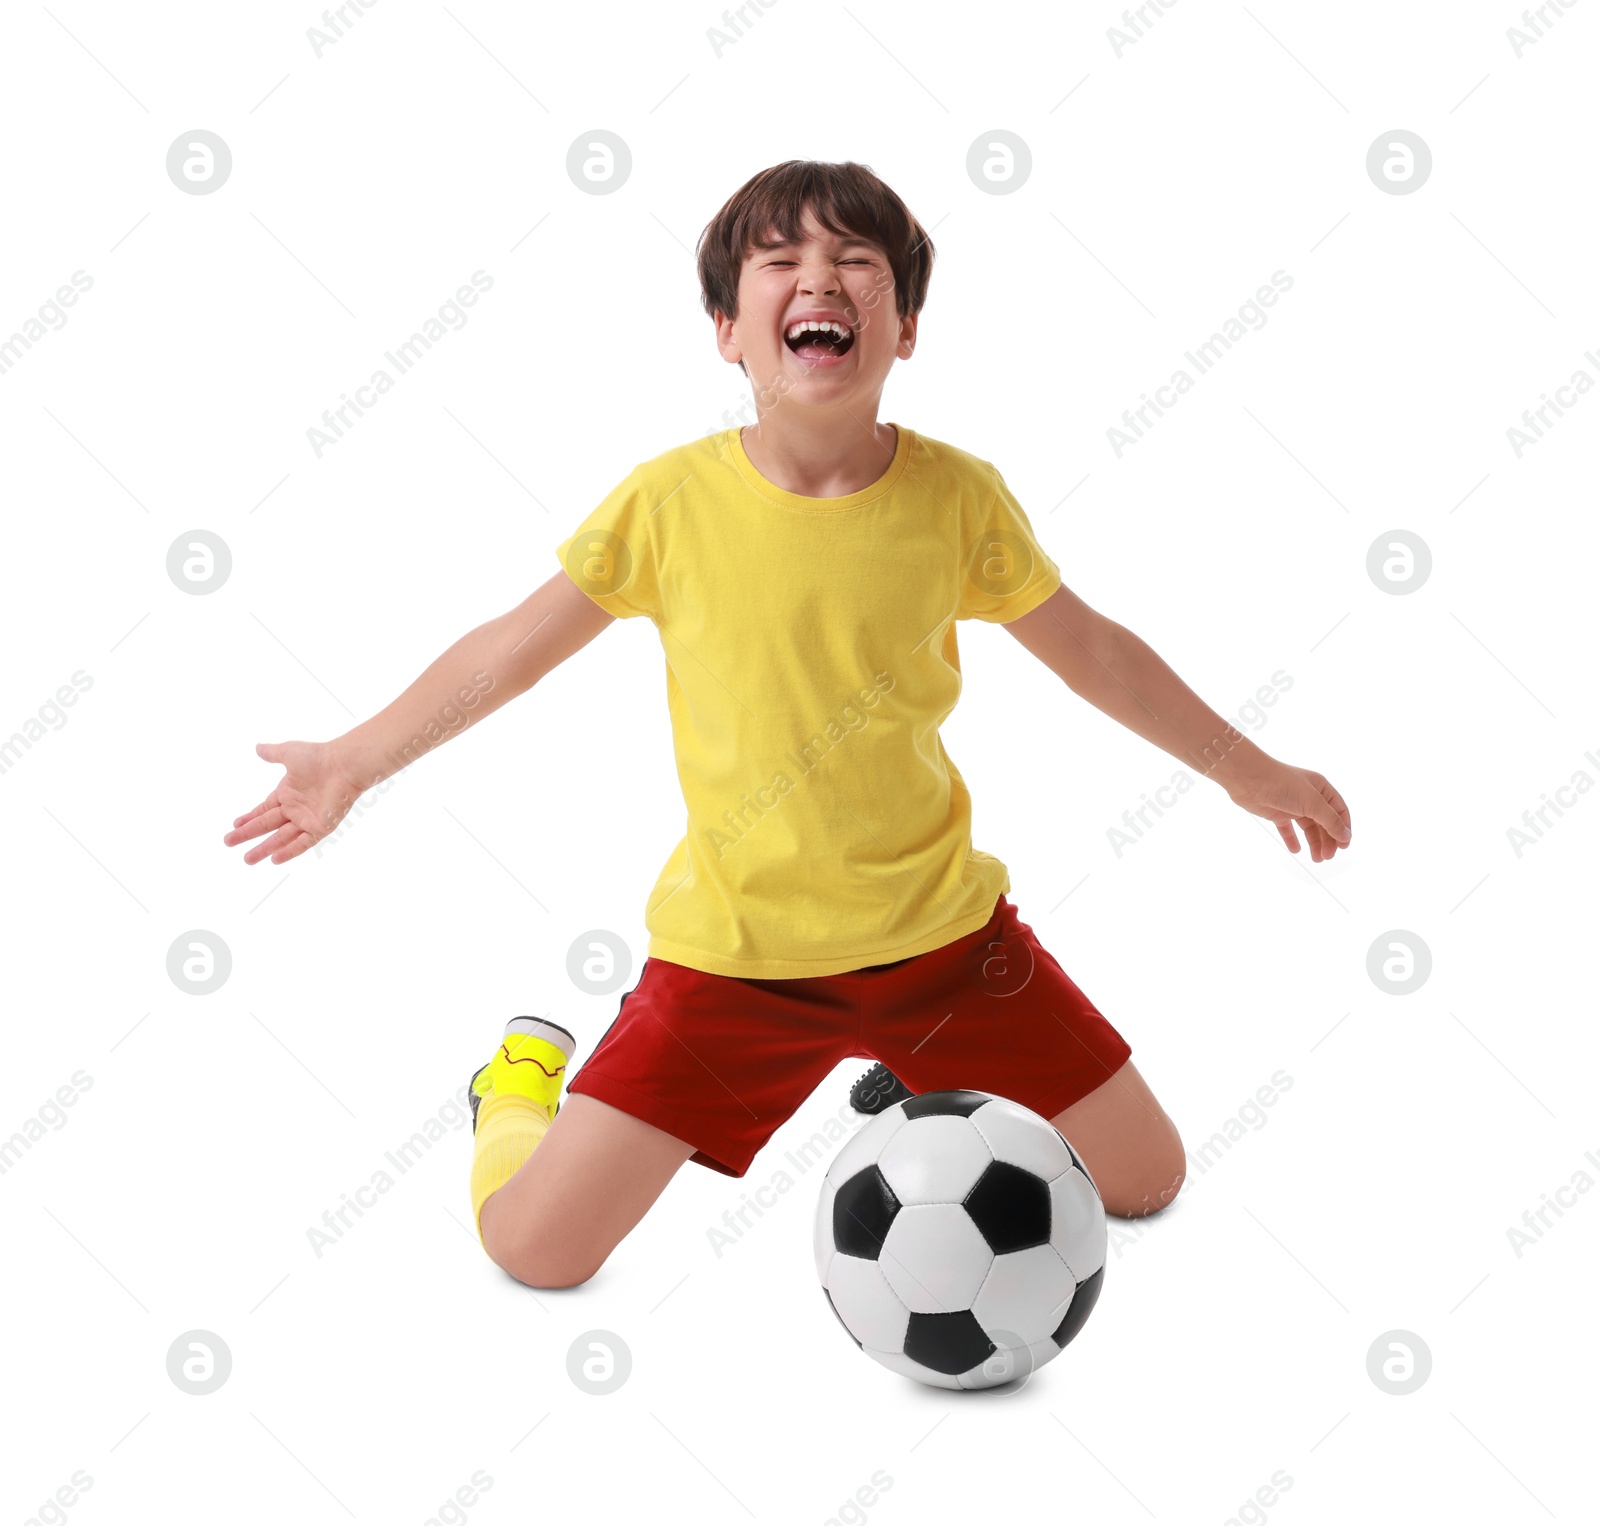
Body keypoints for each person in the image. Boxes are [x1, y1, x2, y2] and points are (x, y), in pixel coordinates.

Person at [224, 159, 1351, 1290]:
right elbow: (508, 650)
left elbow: (1097, 652)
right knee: (535, 1250)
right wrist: (352, 759)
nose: (823, 278)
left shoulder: (960, 498)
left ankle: (917, 1071)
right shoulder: (668, 502)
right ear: (729, 328)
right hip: (736, 964)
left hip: (946, 947)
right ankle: (516, 1084)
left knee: (1145, 1182)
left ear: (902, 327)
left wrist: (1248, 771)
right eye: (783, 262)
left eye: (857, 262)